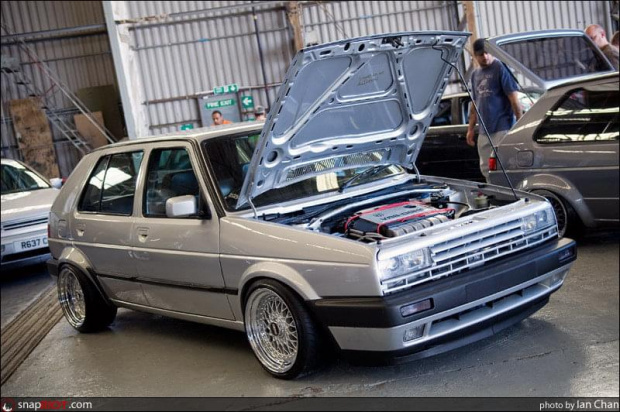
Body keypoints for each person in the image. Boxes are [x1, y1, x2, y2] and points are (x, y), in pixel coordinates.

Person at [466, 38, 522, 182]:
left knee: (505, 166)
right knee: (486, 169)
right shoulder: (475, 75)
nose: (485, 57)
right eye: (481, 54)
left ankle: (510, 193)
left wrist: (519, 124)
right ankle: (493, 192)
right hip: (484, 131)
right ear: (475, 56)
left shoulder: (501, 68)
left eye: (487, 53)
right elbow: (475, 103)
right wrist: (470, 129)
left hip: (503, 128)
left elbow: (514, 99)